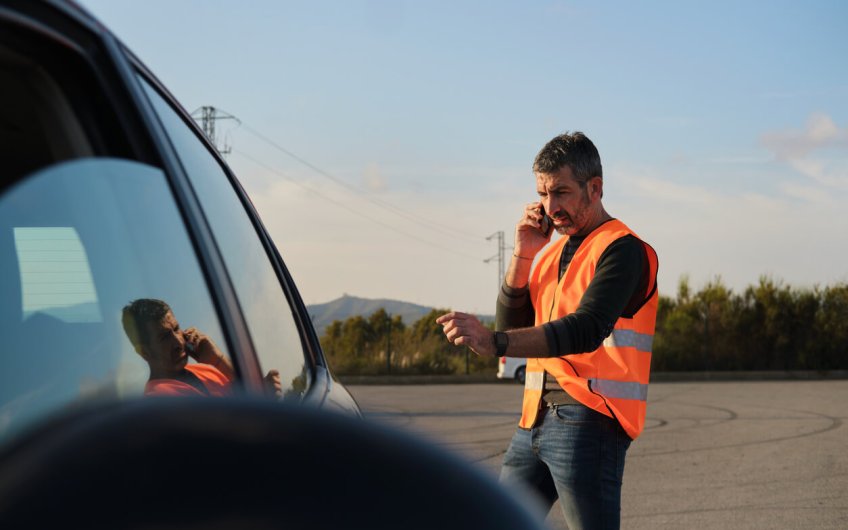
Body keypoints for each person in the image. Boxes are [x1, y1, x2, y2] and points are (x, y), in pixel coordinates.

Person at [437, 132, 658, 530]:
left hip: (588, 421)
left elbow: (586, 329)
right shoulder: (548, 251)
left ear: (595, 188)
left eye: (561, 192)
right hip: (532, 419)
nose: (550, 207)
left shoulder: (623, 249)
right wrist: (524, 253)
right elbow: (513, 326)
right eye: (542, 194)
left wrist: (492, 341)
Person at [122, 298, 281, 397]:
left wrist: (217, 359)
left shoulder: (208, 369)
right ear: (145, 352)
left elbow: (250, 393)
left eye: (176, 329)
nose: (178, 342)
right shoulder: (158, 401)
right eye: (164, 337)